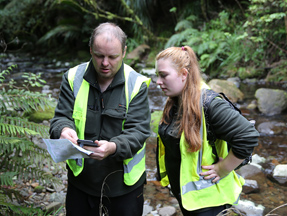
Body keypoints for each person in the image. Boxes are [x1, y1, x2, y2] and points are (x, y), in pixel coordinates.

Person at [49, 22, 151, 216]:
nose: (105, 63)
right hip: (81, 184)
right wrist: (64, 130)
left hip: (124, 188)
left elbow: (138, 132)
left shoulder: (136, 84)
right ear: (90, 50)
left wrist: (112, 147)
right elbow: (60, 118)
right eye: (99, 55)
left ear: (124, 52)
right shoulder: (72, 77)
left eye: (112, 57)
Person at [155, 46, 259, 216]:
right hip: (192, 200)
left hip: (210, 203)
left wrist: (223, 168)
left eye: (164, 75)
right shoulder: (176, 101)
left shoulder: (210, 104)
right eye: (157, 75)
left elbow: (248, 136)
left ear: (184, 74)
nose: (158, 81)